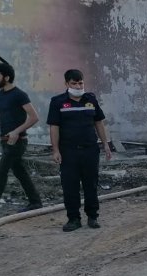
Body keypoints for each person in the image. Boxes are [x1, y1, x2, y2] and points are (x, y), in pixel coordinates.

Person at [46, 69, 112, 232]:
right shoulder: (58, 102)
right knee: (70, 186)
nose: (78, 86)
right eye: (74, 83)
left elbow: (99, 123)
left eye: (80, 82)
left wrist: (105, 144)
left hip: (90, 150)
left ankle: (92, 216)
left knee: (91, 184)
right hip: (68, 152)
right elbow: (54, 127)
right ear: (66, 83)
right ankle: (73, 219)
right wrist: (55, 150)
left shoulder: (91, 99)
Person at [0, 63, 42, 215]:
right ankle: (35, 201)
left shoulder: (19, 95)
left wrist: (16, 131)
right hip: (4, 141)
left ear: (6, 78)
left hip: (17, 141)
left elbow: (34, 117)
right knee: (20, 171)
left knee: (1, 172)